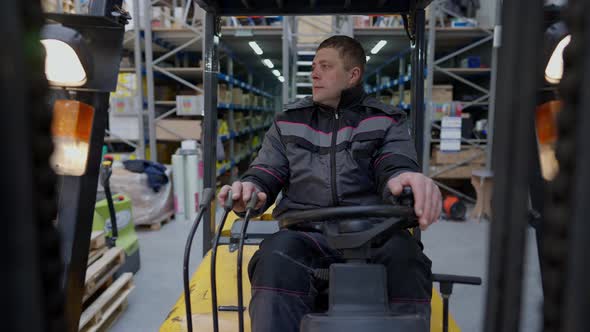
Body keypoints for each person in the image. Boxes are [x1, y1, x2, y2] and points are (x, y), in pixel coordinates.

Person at [218, 35, 442, 332]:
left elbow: (393, 164)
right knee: (273, 258)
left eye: (325, 66)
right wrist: (251, 187)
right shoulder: (288, 121)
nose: (314, 73)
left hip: (374, 232)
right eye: (313, 66)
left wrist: (404, 178)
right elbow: (267, 170)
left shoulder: (386, 120)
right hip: (307, 234)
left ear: (353, 75)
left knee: (407, 259)